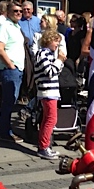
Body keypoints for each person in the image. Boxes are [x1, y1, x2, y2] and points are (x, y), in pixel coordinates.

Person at [0, 2, 25, 142]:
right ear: (8, 12)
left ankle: (6, 130)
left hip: (18, 69)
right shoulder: (4, 26)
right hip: (10, 70)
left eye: (20, 11)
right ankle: (4, 132)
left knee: (11, 101)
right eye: (15, 11)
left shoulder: (17, 27)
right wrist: (11, 65)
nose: (19, 13)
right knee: (8, 102)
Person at [33, 30, 66, 160]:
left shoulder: (48, 54)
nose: (57, 44)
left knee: (48, 119)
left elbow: (55, 71)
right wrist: (59, 60)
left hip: (50, 91)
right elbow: (50, 72)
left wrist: (59, 61)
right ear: (48, 40)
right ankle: (43, 147)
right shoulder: (42, 54)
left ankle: (44, 145)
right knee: (51, 119)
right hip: (47, 91)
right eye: (56, 41)